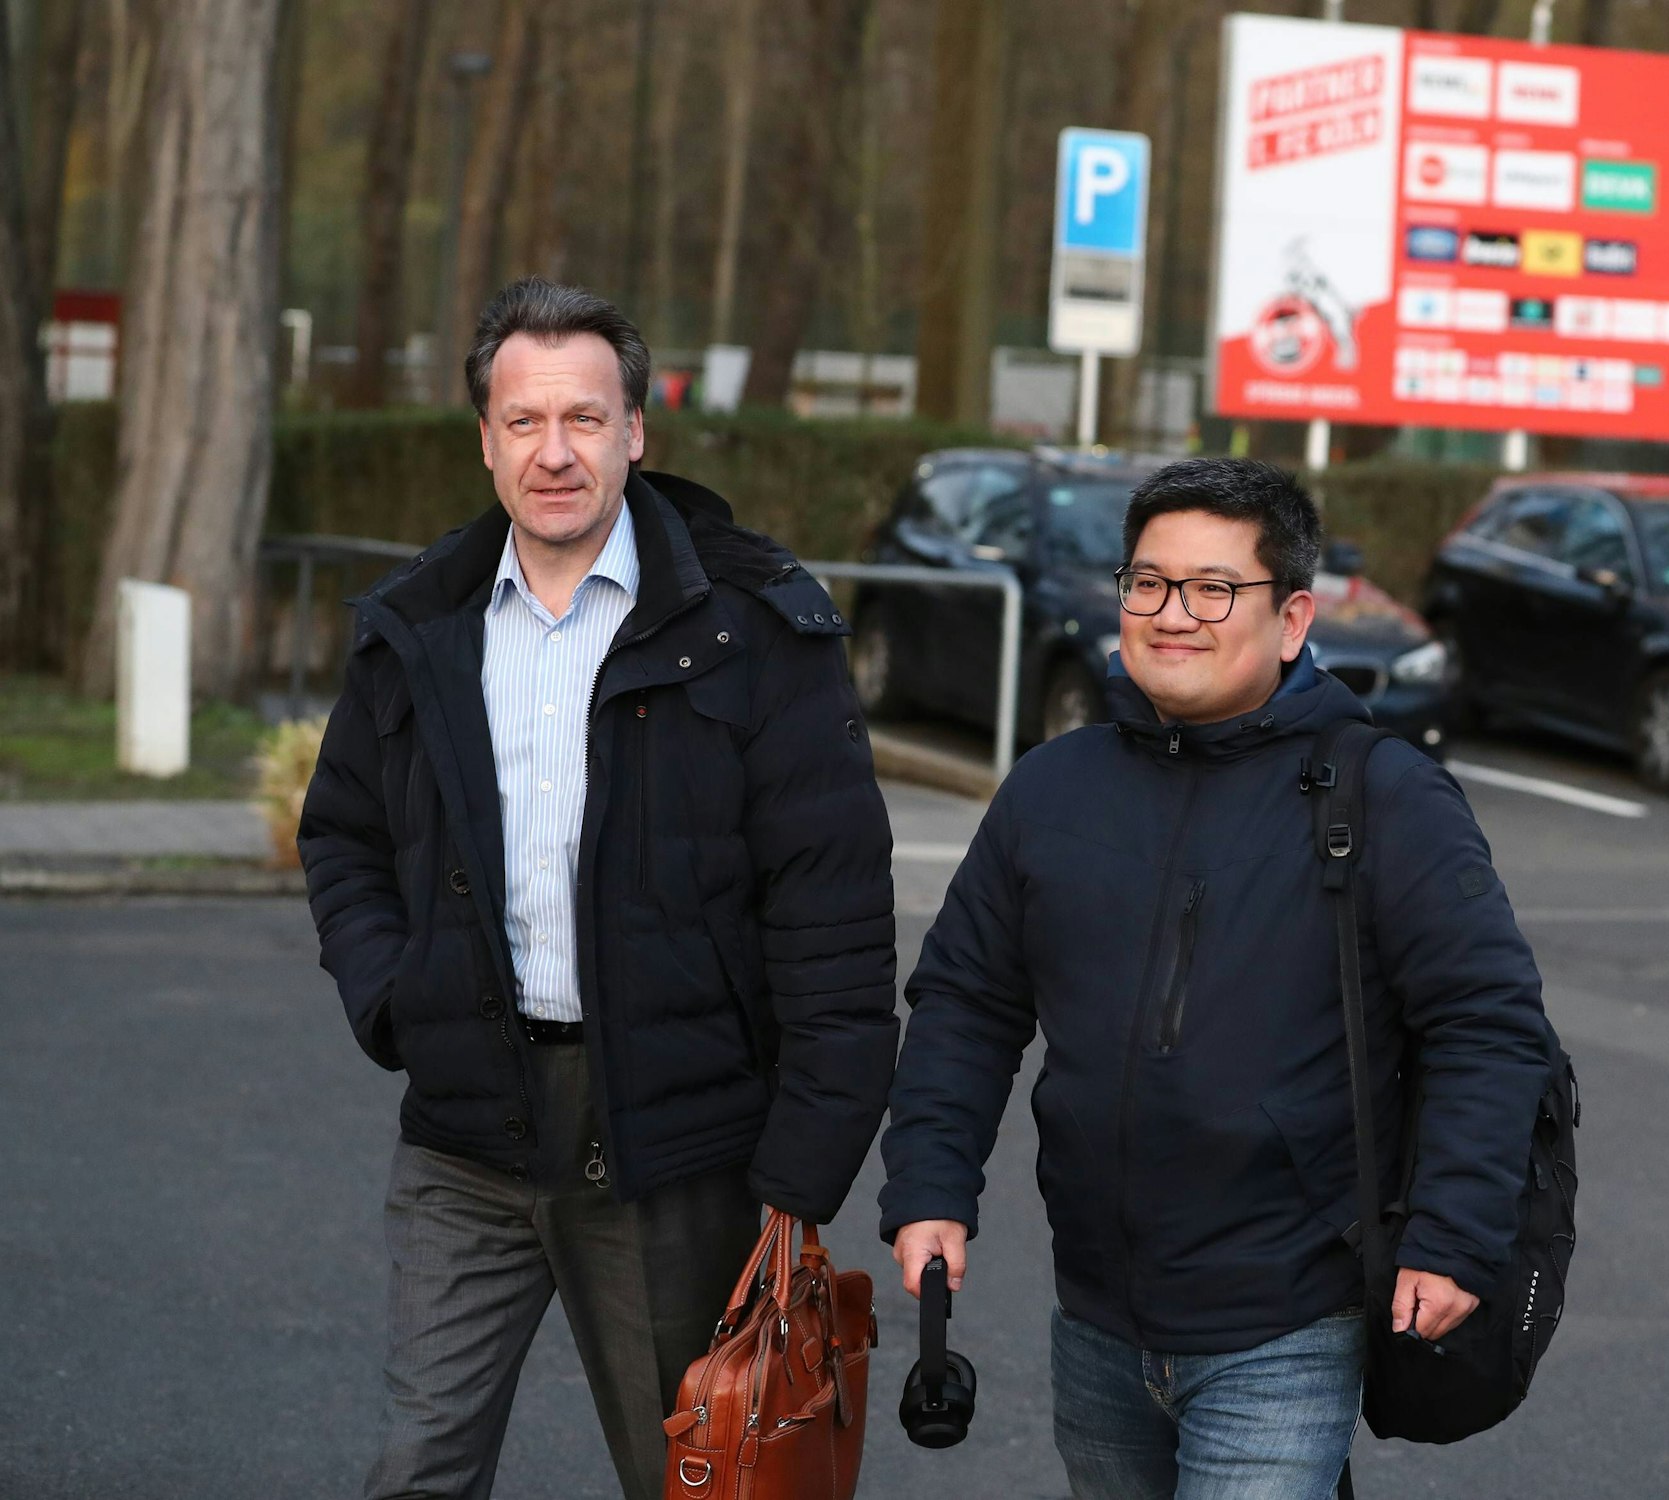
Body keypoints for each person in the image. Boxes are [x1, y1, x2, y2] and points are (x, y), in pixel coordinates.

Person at [299, 277, 897, 1500]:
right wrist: (394, 996)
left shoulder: (751, 629)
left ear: (637, 431)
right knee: (417, 1467)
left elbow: (831, 908)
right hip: (468, 1127)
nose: (554, 452)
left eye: (584, 419)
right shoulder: (418, 628)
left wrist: (802, 1167)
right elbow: (342, 836)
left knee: (703, 1478)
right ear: (485, 440)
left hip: (669, 1142)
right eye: (523, 422)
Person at [878, 457, 1551, 1498]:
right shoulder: (1053, 788)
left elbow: (1487, 1026)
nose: (1169, 614)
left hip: (1284, 1323)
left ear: (1289, 619)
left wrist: (1453, 1238)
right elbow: (967, 1001)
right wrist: (928, 1185)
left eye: (1210, 589)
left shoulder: (1385, 798)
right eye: (1146, 583)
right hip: (1094, 1317)